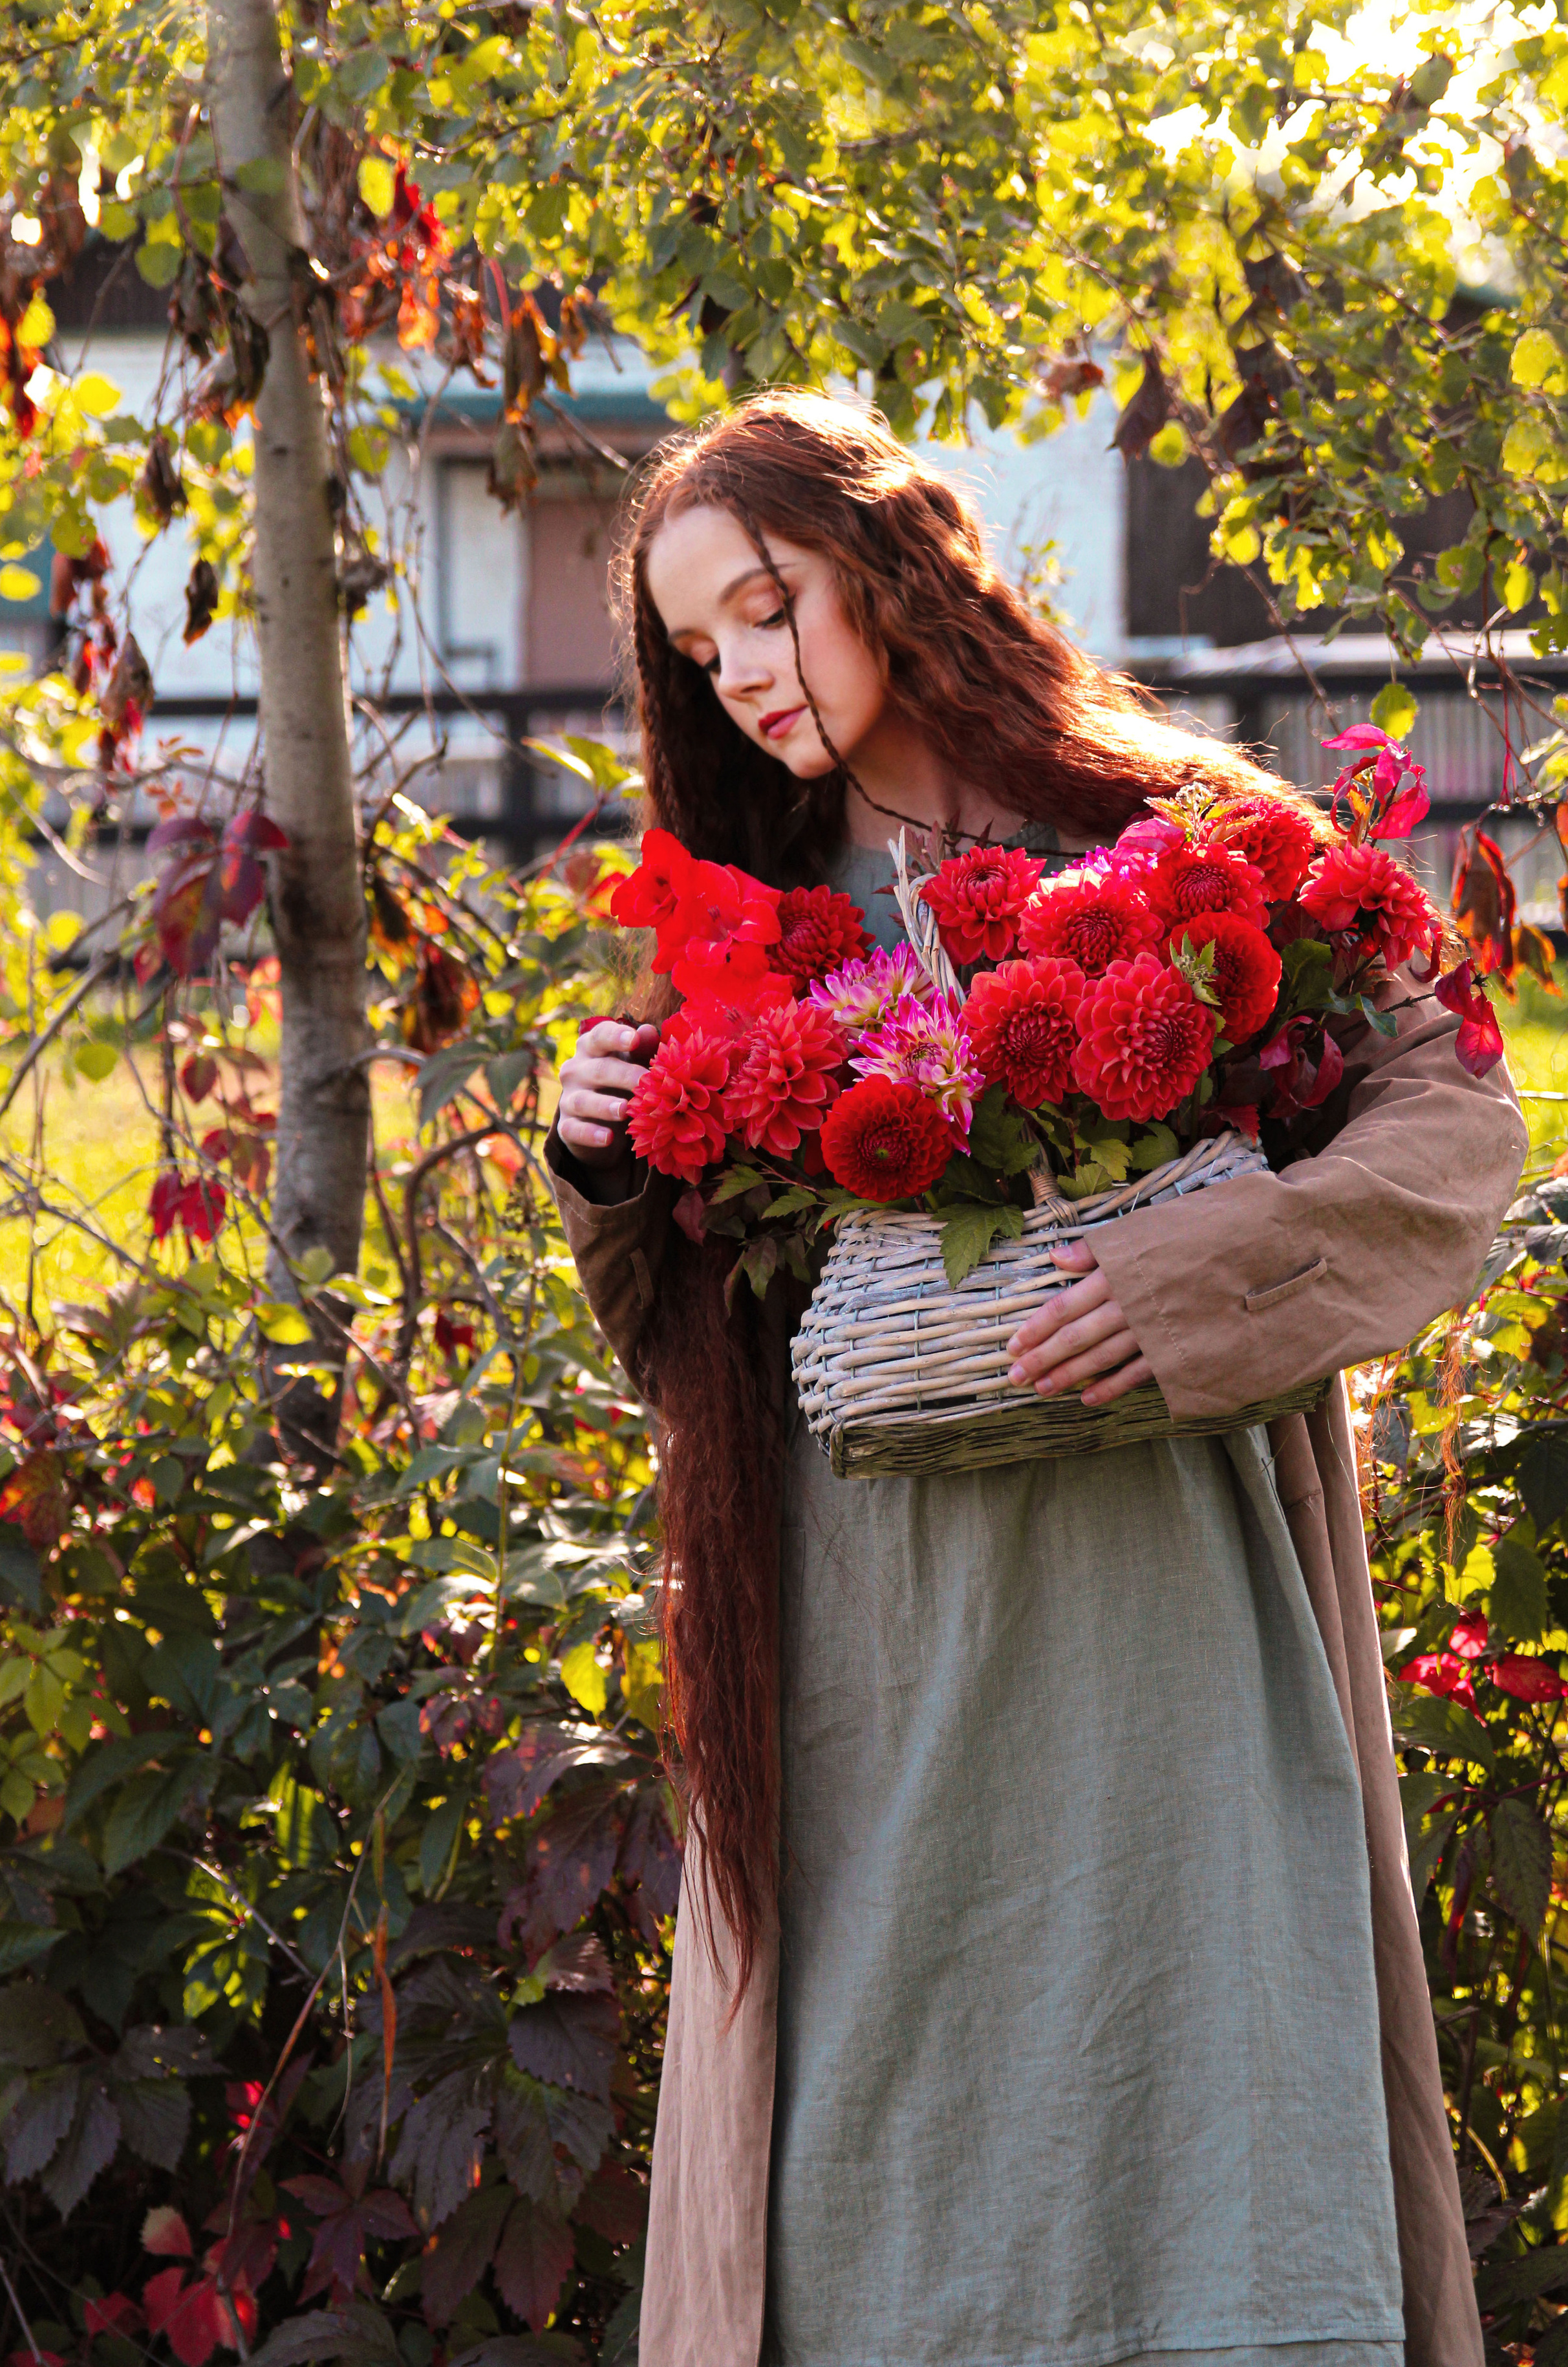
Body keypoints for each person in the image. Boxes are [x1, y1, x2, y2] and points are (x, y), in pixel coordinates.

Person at [548, 389, 1526, 2367]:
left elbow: (1457, 1146)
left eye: (768, 607)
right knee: (871, 2214)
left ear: (888, 573)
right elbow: (695, 1348)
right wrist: (605, 1161)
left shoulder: (1165, 838)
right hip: (861, 1667)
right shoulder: (750, 930)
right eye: (700, 646)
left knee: (1208, 2148)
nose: (740, 674)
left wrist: (1194, 1270)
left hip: (1158, 1638)